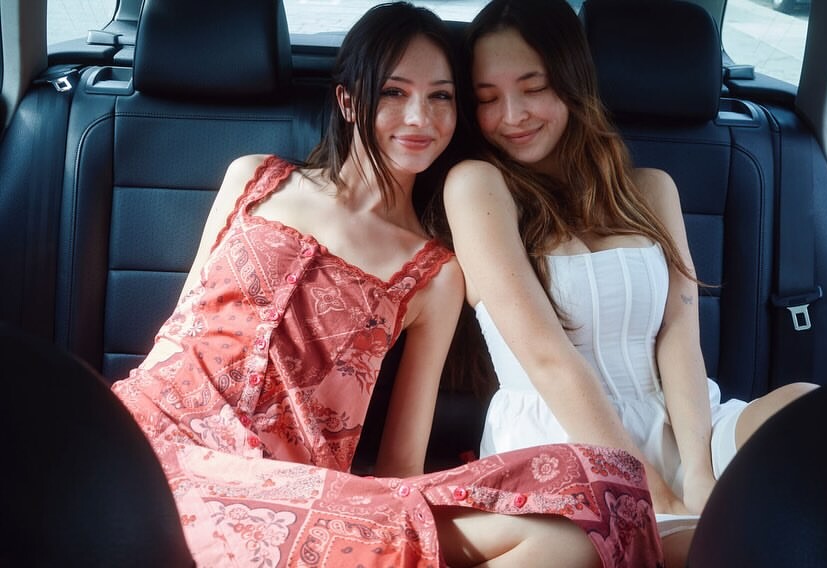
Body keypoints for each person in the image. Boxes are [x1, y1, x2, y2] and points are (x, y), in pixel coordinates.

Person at [111, 3, 664, 566]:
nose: (419, 117)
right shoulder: (253, 178)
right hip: (142, 441)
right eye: (394, 92)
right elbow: (175, 335)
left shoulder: (435, 272)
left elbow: (402, 465)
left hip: (288, 500)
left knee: (588, 507)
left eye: (441, 97)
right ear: (348, 101)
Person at [439, 0, 817, 564]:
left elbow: (679, 337)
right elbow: (547, 356)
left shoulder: (652, 189)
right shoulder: (477, 186)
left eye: (533, 87)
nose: (511, 115)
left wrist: (699, 474)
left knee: (812, 412)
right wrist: (651, 492)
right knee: (704, 546)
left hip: (681, 421)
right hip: (567, 440)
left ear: (573, 80)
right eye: (487, 99)